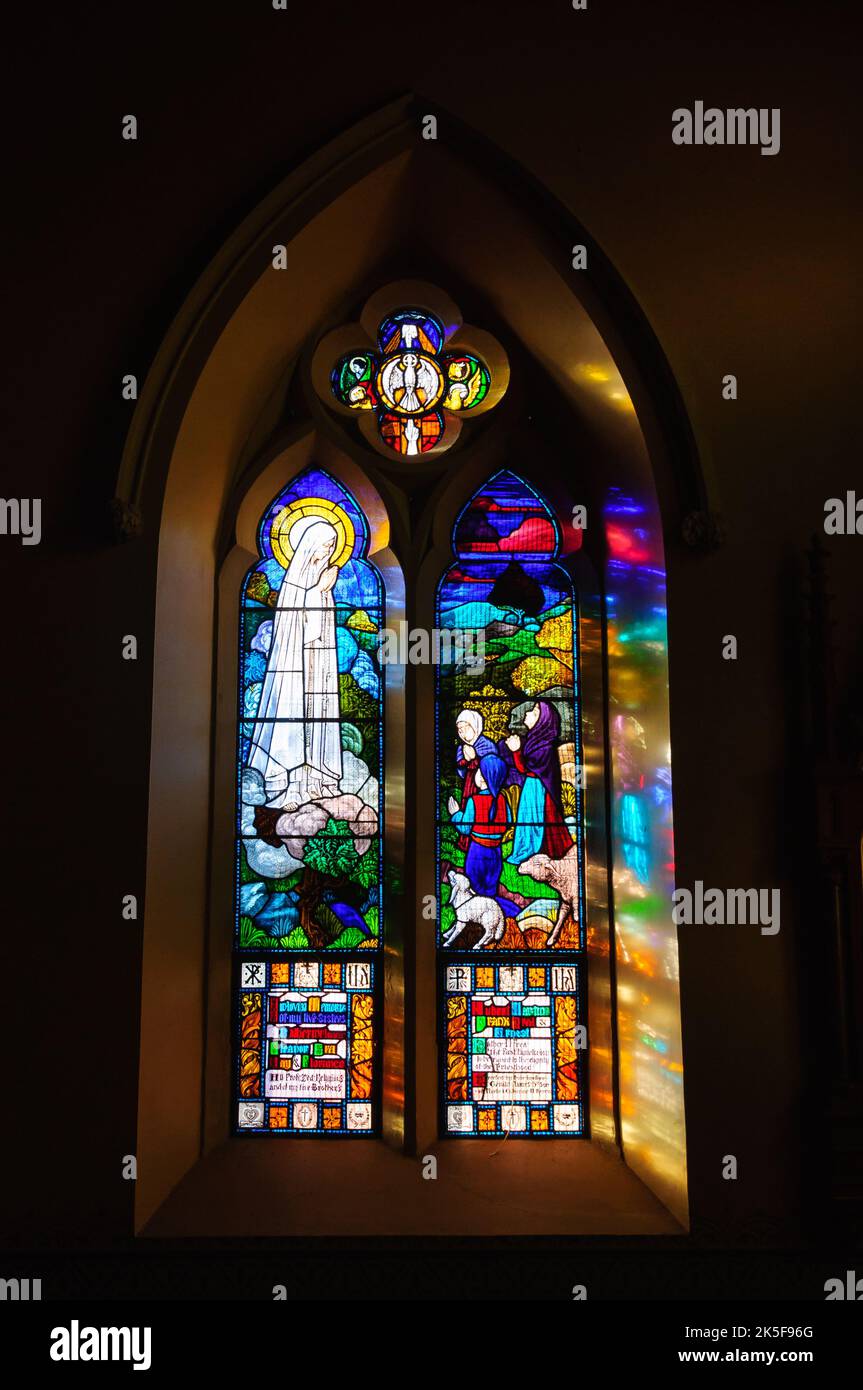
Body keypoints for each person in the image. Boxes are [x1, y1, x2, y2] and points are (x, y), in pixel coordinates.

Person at [246, 516, 342, 807]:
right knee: (297, 719)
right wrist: (318, 590)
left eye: (332, 548)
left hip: (319, 663)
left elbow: (324, 627)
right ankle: (289, 784)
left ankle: (318, 779)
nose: (327, 554)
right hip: (295, 666)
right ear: (309, 546)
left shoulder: (323, 576)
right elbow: (293, 627)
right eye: (324, 547)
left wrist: (324, 592)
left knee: (318, 717)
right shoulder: (293, 582)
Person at [505, 700, 573, 863]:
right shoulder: (534, 741)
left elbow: (527, 769)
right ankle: (527, 851)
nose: (527, 714)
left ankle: (534, 852)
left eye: (534, 712)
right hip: (531, 788)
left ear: (543, 722)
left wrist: (516, 751)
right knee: (527, 821)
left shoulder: (545, 747)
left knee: (536, 823)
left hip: (539, 792)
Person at [447, 753, 511, 900]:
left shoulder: (474, 801)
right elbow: (507, 822)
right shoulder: (502, 799)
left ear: (482, 778)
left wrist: (455, 814)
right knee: (490, 887)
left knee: (474, 887)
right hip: (496, 851)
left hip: (478, 852)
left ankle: (476, 918)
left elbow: (465, 828)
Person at [453, 709, 497, 851]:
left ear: (476, 726)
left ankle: (484, 837)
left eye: (466, 728)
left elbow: (493, 767)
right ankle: (465, 841)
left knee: (482, 810)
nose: (463, 733)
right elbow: (460, 770)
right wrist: (465, 761)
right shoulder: (462, 748)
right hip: (469, 783)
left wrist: (475, 758)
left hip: (484, 785)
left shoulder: (487, 745)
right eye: (460, 730)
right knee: (468, 807)